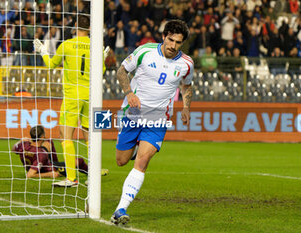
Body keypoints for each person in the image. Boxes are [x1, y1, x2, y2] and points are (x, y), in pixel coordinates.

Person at [110, 20, 194, 225]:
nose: (173, 46)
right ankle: (135, 148)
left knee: (143, 162)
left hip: (158, 118)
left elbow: (187, 86)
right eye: (171, 40)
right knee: (121, 160)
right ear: (164, 36)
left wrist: (186, 107)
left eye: (178, 42)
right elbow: (122, 71)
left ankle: (120, 209)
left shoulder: (187, 63)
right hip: (133, 113)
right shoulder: (145, 51)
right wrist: (129, 93)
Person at [33, 15, 108, 187]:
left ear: (75, 26)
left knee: (65, 136)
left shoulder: (66, 45)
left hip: (73, 95)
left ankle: (72, 178)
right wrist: (102, 58)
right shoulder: (97, 46)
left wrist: (43, 51)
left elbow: (51, 65)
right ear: (90, 27)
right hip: (91, 96)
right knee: (90, 136)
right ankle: (93, 176)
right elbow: (101, 71)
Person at [12, 125, 89, 179]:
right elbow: (29, 175)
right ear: (42, 137)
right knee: (79, 161)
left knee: (49, 142)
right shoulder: (41, 154)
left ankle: (55, 162)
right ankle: (91, 173)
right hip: (46, 169)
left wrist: (20, 141)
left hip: (34, 163)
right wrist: (49, 174)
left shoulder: (23, 144)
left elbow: (13, 149)